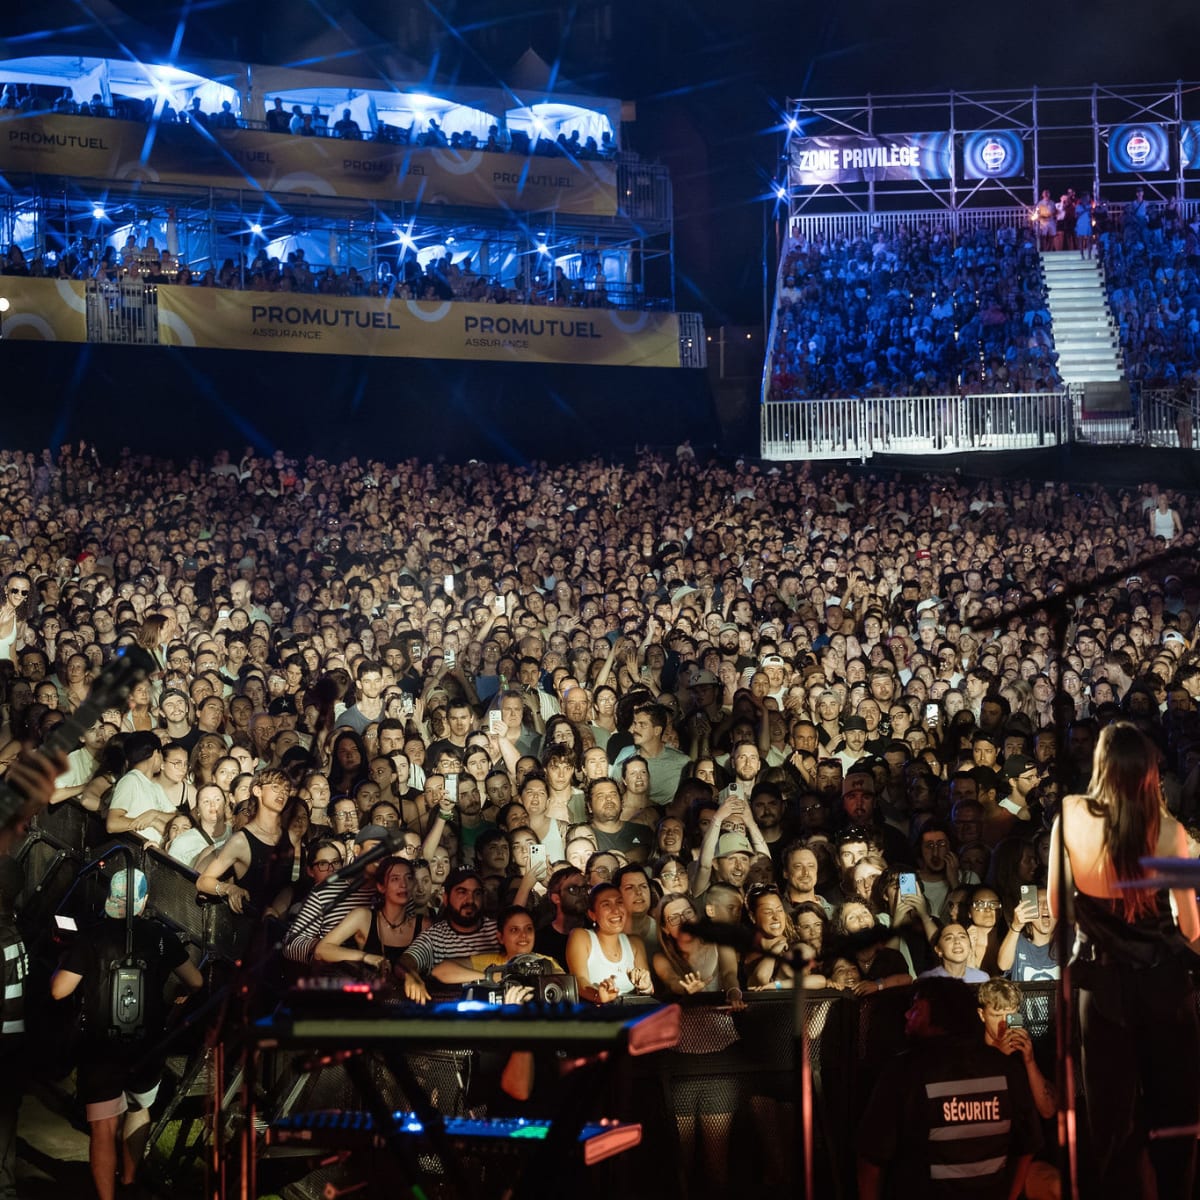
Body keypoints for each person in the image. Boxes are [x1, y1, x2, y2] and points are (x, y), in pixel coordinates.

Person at [1049, 721, 1200, 1199]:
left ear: (1102, 764)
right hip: (1163, 987)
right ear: (1150, 773)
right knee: (1173, 1117)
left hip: (1101, 986)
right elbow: (1192, 929)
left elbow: (1058, 908)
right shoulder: (1170, 832)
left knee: (1109, 1120)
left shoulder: (1070, 815)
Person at [50, 868, 203, 1200]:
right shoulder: (161, 936)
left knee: (103, 1128)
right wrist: (177, 998)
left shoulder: (92, 935)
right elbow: (196, 981)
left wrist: (62, 961)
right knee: (138, 1108)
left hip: (101, 1046)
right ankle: (130, 1182)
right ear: (144, 900)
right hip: (147, 1043)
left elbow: (60, 991)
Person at [857, 975, 1041, 1199]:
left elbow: (871, 1158)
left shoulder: (905, 1070)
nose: (907, 1014)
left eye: (916, 1007)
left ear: (940, 1012)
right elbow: (1027, 1145)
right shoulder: (1004, 1066)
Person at [565, 882, 653, 1004]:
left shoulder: (635, 943)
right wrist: (599, 996)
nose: (616, 910)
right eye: (606, 905)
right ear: (592, 914)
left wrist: (645, 987)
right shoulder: (581, 936)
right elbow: (579, 981)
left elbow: (649, 989)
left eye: (619, 902)